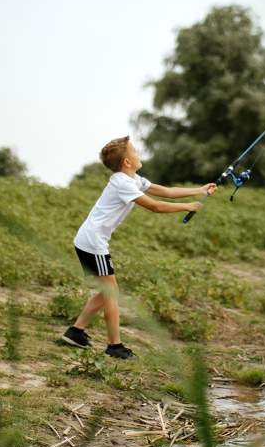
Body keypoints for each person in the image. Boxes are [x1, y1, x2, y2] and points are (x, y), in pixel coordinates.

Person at [62, 136, 217, 359]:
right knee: (111, 292)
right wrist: (187, 206)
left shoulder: (133, 179)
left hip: (90, 240)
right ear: (126, 162)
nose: (138, 154)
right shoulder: (122, 183)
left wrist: (199, 191)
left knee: (106, 291)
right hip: (92, 242)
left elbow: (164, 191)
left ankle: (76, 332)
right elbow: (154, 206)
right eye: (134, 151)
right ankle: (114, 346)